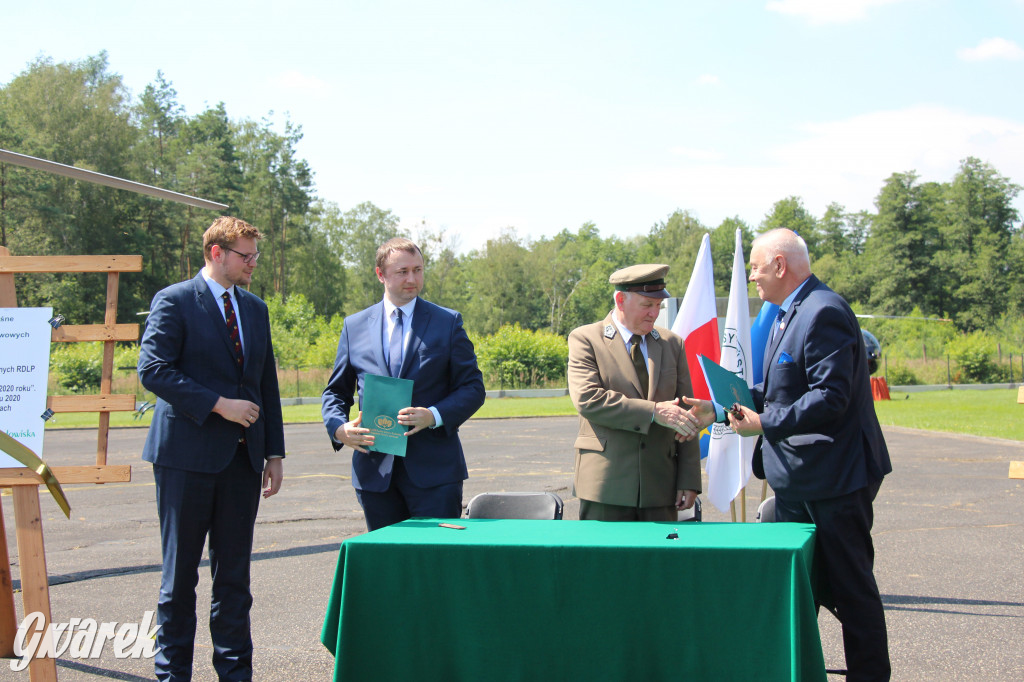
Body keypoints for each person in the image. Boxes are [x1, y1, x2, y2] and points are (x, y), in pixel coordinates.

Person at [692, 228, 891, 681]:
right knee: (799, 589)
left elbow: (830, 397)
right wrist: (718, 409)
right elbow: (782, 389)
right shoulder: (789, 313)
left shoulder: (823, 311)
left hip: (835, 479)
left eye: (756, 269)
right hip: (798, 479)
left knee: (850, 590)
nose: (752, 279)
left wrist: (764, 423)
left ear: (780, 266)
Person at [138, 216, 285, 682]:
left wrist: (274, 453)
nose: (253, 264)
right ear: (216, 253)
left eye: (256, 256)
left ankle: (236, 674)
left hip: (243, 461)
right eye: (246, 256)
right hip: (185, 459)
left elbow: (265, 384)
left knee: (235, 579)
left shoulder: (255, 309)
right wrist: (219, 405)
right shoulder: (175, 300)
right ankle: (172, 675)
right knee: (179, 578)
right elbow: (153, 369)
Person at [322, 237, 485, 531]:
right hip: (375, 475)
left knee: (435, 557)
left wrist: (434, 415)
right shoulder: (354, 326)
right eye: (403, 272)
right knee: (386, 558)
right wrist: (339, 429)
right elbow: (336, 392)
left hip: (435, 475)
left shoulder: (447, 322)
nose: (412, 279)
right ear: (380, 274)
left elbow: (473, 387)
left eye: (418, 270)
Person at [567, 263, 703, 521]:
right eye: (647, 305)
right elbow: (588, 399)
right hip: (606, 485)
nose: (654, 313)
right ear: (621, 300)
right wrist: (653, 412)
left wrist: (689, 479)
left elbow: (687, 414)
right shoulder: (586, 339)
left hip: (660, 486)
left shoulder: (672, 343)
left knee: (660, 550)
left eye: (658, 306)